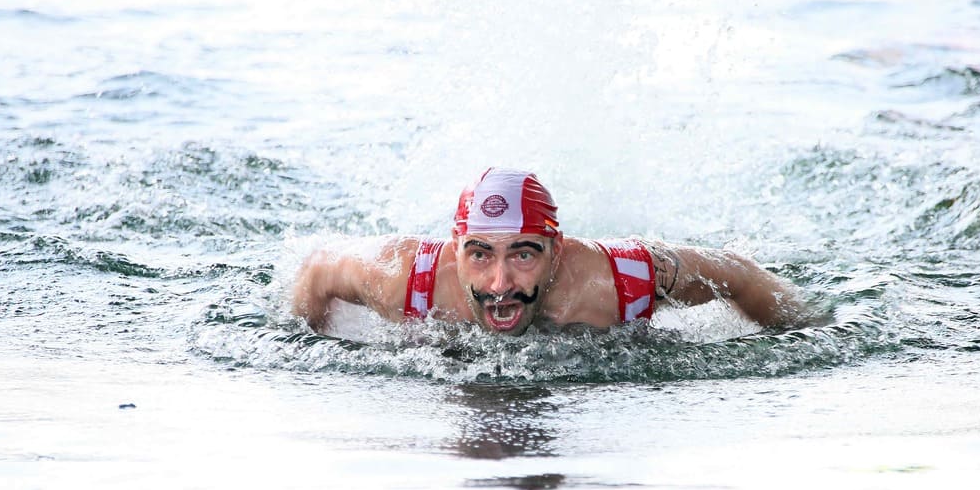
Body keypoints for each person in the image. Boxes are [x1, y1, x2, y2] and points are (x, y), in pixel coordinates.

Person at [292, 167, 812, 336]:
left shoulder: (624, 279)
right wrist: (304, 344)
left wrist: (810, 332)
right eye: (480, 255)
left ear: (556, 249)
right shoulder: (404, 278)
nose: (500, 285)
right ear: (455, 249)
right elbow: (317, 272)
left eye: (523, 255)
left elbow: (740, 274)